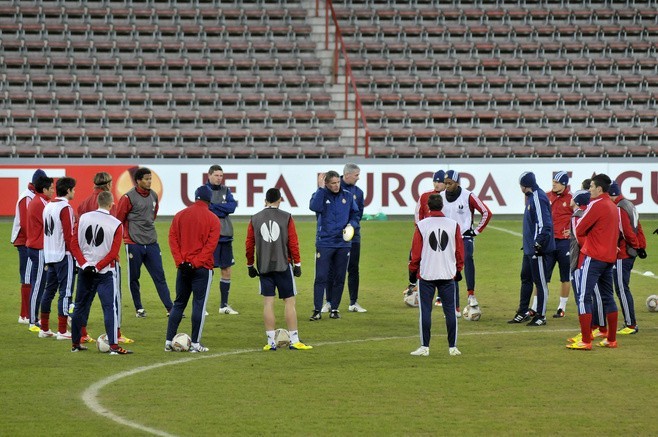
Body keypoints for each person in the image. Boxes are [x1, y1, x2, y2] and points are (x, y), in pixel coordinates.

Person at [246, 188, 312, 351]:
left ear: (265, 200)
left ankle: (270, 342)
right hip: (283, 265)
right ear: (280, 200)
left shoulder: (255, 218)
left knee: (268, 302)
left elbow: (249, 244)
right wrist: (297, 264)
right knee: (289, 302)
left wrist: (250, 265)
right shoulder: (286, 217)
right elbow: (293, 242)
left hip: (264, 267)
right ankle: (294, 340)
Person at [70, 191, 132, 354]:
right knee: (109, 307)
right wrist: (97, 267)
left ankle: (75, 344)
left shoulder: (83, 218)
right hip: (105, 273)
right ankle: (113, 346)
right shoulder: (116, 224)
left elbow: (73, 244)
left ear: (97, 202)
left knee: (79, 307)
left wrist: (84, 264)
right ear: (112, 204)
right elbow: (113, 253)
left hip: (85, 271)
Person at [567, 174, 620, 350]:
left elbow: (580, 228)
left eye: (591, 187)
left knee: (583, 297)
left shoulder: (596, 205)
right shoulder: (613, 206)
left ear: (599, 188)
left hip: (594, 256)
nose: (589, 190)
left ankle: (586, 340)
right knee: (608, 297)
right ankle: (611, 339)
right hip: (609, 258)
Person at [165, 186, 220, 353]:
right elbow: (210, 246)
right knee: (199, 305)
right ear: (209, 200)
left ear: (195, 197)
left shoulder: (180, 215)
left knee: (179, 303)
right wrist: (195, 263)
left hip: (183, 268)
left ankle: (168, 341)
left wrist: (181, 261)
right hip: (202, 268)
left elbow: (172, 239)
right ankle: (195, 344)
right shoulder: (213, 219)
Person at [408, 193, 464, 357]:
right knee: (450, 311)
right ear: (442, 206)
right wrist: (458, 269)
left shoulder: (422, 225)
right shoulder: (453, 225)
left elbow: (415, 253)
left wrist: (412, 272)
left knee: (425, 311)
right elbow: (460, 251)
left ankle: (425, 347)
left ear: (427, 207)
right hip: (447, 274)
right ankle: (452, 347)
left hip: (427, 274)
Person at [116, 167, 173, 318]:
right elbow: (119, 219)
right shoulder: (128, 197)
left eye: (150, 179)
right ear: (138, 180)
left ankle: (170, 308)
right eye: (146, 179)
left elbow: (152, 216)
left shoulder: (153, 195)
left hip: (152, 241)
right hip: (133, 243)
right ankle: (139, 308)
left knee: (159, 276)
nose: (149, 182)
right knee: (134, 277)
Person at [309, 170, 359, 320]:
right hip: (325, 242)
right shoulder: (320, 195)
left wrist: (351, 225)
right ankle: (317, 310)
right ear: (326, 184)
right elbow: (314, 207)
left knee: (339, 277)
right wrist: (319, 188)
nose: (337, 185)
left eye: (338, 182)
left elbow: (355, 214)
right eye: (333, 183)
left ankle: (334, 308)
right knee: (321, 277)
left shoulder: (348, 196)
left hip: (343, 243)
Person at [440, 170, 492, 313]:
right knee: (452, 269)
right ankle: (455, 306)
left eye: (449, 183)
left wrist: (475, 231)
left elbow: (487, 212)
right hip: (448, 239)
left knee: (468, 259)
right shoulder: (441, 197)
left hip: (464, 237)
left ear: (457, 183)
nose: (447, 186)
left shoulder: (468, 196)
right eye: (445, 183)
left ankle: (471, 295)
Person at [508, 172, 555, 326]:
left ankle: (541, 315)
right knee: (526, 279)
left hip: (537, 250)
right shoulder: (533, 197)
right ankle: (522, 311)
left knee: (540, 283)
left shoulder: (537, 198)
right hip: (529, 249)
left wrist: (538, 244)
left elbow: (545, 224)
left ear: (524, 185)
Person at [323, 163, 366, 314]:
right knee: (331, 269)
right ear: (347, 175)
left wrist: (350, 226)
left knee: (353, 268)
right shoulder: (332, 187)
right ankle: (328, 302)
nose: (358, 178)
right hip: (334, 237)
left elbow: (358, 214)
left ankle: (353, 302)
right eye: (356, 175)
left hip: (353, 236)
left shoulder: (359, 193)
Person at [39, 177, 77, 340]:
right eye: (73, 189)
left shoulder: (48, 206)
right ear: (68, 190)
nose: (74, 192)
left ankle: (45, 328)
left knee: (49, 291)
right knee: (66, 292)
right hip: (64, 255)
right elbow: (69, 235)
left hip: (50, 254)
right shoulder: (65, 208)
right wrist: (76, 256)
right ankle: (62, 331)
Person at [608, 181, 647, 335]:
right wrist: (641, 246)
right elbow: (638, 226)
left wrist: (636, 245)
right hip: (630, 252)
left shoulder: (619, 208)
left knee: (622, 289)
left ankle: (630, 324)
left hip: (623, 254)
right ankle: (630, 322)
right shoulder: (629, 204)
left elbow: (627, 232)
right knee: (623, 288)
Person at [11, 169, 46, 324]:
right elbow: (26, 224)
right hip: (26, 241)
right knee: (27, 277)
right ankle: (24, 315)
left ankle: (27, 313)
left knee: (30, 277)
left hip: (29, 241)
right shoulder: (28, 197)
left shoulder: (31, 196)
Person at [406, 170, 445, 305]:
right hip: (425, 234)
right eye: (434, 181)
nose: (436, 184)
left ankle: (440, 295)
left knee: (441, 262)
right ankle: (413, 284)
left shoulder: (448, 197)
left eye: (439, 181)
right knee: (414, 257)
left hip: (442, 236)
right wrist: (421, 230)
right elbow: (418, 214)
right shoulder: (425, 196)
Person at [206, 165, 239, 315]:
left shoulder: (226, 190)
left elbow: (232, 207)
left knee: (226, 270)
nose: (219, 178)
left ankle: (223, 305)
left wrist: (216, 207)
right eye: (217, 175)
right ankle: (202, 305)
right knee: (207, 271)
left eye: (221, 175)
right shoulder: (203, 191)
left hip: (225, 234)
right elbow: (207, 208)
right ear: (210, 175)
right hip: (209, 236)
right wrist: (222, 208)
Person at [25, 175, 55, 332]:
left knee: (40, 284)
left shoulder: (38, 201)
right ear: (44, 189)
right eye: (51, 188)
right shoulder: (41, 203)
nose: (53, 191)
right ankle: (32, 321)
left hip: (36, 247)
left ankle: (34, 318)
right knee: (38, 285)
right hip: (39, 249)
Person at [545, 171, 573, 318]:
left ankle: (561, 307)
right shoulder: (546, 195)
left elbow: (581, 216)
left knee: (565, 277)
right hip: (549, 242)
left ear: (564, 184)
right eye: (553, 182)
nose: (553, 184)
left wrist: (573, 231)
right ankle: (537, 306)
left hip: (564, 243)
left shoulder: (572, 199)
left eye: (556, 182)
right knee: (542, 276)